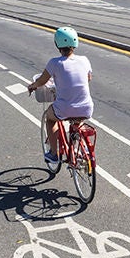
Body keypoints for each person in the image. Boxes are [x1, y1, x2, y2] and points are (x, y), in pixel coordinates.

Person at [26, 27, 94, 165]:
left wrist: (33, 86)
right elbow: (88, 78)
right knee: (77, 121)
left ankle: (54, 153)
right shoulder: (84, 60)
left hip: (64, 108)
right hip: (87, 108)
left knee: (50, 119)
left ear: (57, 44)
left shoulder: (55, 63)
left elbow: (42, 81)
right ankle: (80, 150)